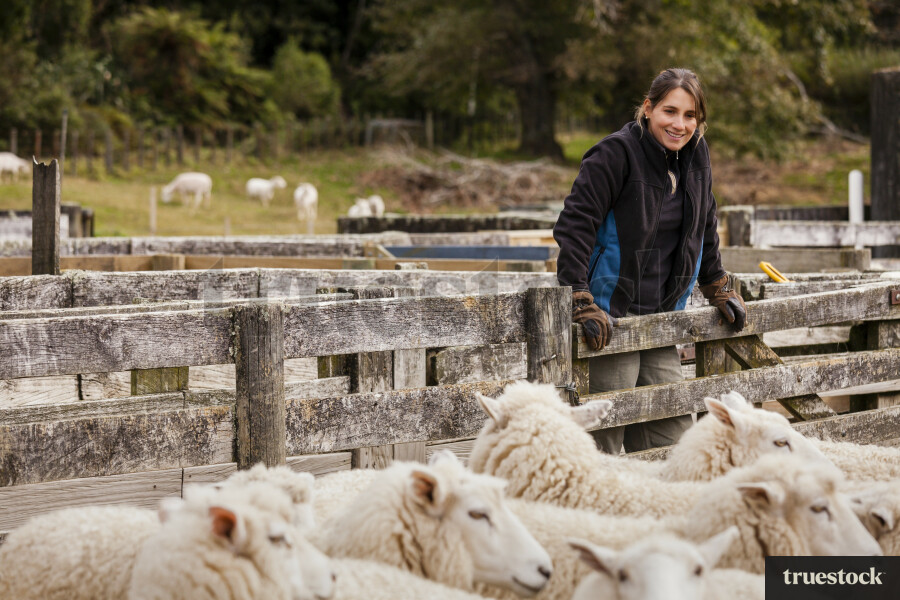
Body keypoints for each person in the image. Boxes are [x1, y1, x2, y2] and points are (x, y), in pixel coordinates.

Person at [553, 67, 746, 455]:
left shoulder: (697, 156)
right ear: (648, 108)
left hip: (661, 316)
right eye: (669, 112)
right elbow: (576, 226)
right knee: (603, 438)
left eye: (690, 115)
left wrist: (717, 285)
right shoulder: (615, 153)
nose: (679, 124)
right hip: (610, 316)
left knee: (671, 440)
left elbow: (704, 225)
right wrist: (579, 296)